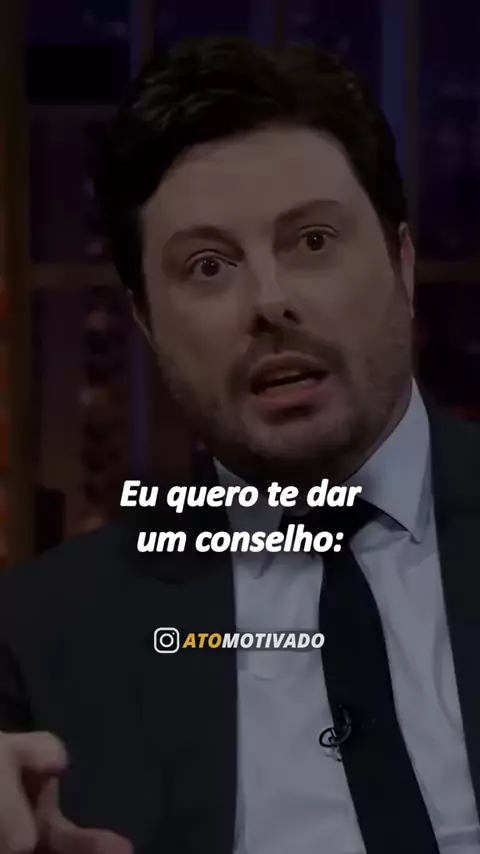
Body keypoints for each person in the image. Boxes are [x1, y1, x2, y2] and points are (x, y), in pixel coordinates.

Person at [0, 36, 479, 854]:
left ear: (402, 264)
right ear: (147, 323)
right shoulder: (39, 641)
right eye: (208, 266)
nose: (270, 301)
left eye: (313, 241)